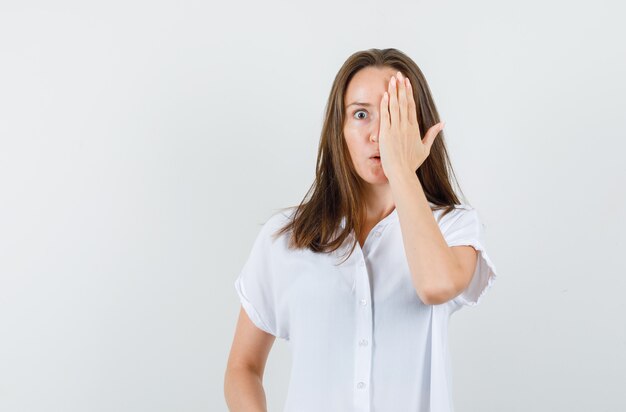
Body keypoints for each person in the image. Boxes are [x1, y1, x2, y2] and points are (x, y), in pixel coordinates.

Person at [224, 48, 498, 412]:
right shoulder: (285, 237)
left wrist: (401, 167)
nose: (378, 135)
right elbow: (243, 367)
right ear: (339, 128)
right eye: (361, 114)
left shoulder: (453, 226)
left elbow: (435, 286)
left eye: (393, 115)